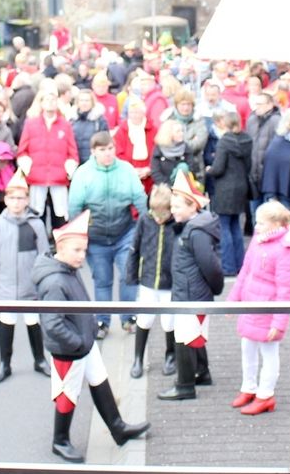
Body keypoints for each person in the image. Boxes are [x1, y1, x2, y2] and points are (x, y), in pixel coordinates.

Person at [32, 210, 150, 462]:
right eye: (77, 250)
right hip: (71, 348)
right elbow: (53, 325)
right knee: (67, 393)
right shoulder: (54, 281)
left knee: (99, 380)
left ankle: (117, 427)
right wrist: (79, 342)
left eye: (84, 250)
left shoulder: (66, 270)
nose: (82, 256)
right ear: (61, 248)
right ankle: (60, 440)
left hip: (83, 341)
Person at [67, 131, 147, 338]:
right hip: (96, 236)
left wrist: (147, 229)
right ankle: (102, 321)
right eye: (102, 150)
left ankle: (128, 318)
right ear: (93, 152)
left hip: (125, 232)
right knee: (102, 280)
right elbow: (74, 207)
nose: (108, 153)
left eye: (110, 148)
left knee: (128, 276)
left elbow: (140, 199)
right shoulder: (83, 174)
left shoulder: (126, 170)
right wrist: (78, 238)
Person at [227, 201, 290, 415]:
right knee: (247, 348)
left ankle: (265, 394)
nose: (257, 226)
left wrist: (279, 323)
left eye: (262, 222)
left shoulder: (286, 250)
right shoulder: (259, 240)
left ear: (276, 223)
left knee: (269, 352)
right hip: (252, 304)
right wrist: (233, 300)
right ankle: (249, 388)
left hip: (268, 310)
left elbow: (285, 290)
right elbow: (245, 271)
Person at [0, 170, 51, 383]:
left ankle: (39, 360)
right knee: (6, 325)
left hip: (31, 291)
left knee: (34, 324)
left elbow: (45, 258)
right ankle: (5, 364)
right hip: (6, 289)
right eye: (12, 197)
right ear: (6, 199)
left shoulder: (36, 224)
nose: (16, 202)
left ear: (27, 199)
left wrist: (45, 289)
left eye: (20, 197)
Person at [157, 172, 223, 401]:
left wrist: (215, 289)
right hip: (189, 291)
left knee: (184, 338)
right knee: (191, 334)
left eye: (176, 206)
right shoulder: (190, 227)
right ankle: (202, 372)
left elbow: (211, 267)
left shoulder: (195, 232)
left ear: (192, 206)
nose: (172, 210)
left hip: (192, 294)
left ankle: (184, 385)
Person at [126, 185, 178, 379]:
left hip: (169, 282)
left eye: (162, 212)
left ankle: (170, 355)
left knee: (168, 321)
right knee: (144, 319)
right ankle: (138, 357)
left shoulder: (176, 225)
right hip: (147, 279)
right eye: (155, 212)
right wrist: (131, 275)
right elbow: (134, 248)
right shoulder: (144, 221)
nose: (158, 217)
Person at [17, 86, 79, 230]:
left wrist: (68, 169)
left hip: (59, 178)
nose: (50, 102)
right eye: (47, 99)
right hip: (37, 178)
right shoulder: (31, 124)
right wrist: (28, 168)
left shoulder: (65, 125)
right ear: (41, 102)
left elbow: (72, 152)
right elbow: (22, 150)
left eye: (53, 99)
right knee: (37, 214)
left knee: (61, 215)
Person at [207, 108, 252, 276]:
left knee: (224, 227)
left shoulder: (225, 141)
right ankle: (240, 265)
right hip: (241, 186)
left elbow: (218, 168)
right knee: (235, 227)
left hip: (225, 188)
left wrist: (208, 169)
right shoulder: (247, 140)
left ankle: (228, 266)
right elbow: (248, 165)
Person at [260, 107, 290, 209]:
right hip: (282, 192)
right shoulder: (278, 143)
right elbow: (271, 169)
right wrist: (271, 194)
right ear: (289, 123)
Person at [114, 97, 156, 193]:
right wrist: (131, 170)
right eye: (132, 112)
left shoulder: (153, 129)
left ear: (143, 113)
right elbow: (118, 153)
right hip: (128, 173)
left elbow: (157, 151)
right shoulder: (122, 130)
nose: (135, 115)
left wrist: (150, 168)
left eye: (137, 112)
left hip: (149, 173)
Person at [70, 88, 109, 164]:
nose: (84, 103)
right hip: (76, 162)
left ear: (92, 102)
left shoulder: (100, 120)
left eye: (87, 100)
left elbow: (105, 142)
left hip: (94, 162)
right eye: (81, 100)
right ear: (77, 102)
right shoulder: (71, 120)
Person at [151, 119, 191, 186]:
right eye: (178, 131)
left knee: (183, 167)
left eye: (182, 131)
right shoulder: (158, 149)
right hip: (163, 188)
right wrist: (168, 186)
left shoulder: (185, 148)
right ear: (168, 133)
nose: (181, 133)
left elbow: (191, 167)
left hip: (182, 188)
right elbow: (156, 172)